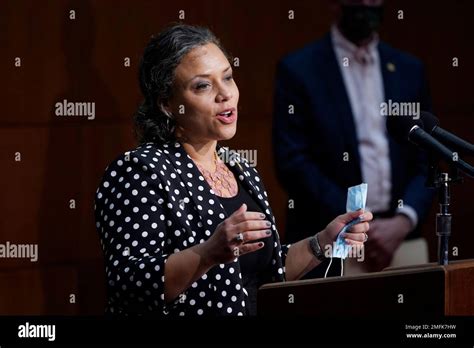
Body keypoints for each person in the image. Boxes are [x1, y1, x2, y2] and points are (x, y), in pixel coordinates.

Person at [94, 23, 372, 316]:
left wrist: (322, 242)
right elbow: (129, 284)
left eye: (227, 77)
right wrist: (208, 253)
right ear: (167, 104)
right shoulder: (138, 171)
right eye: (203, 85)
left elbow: (269, 272)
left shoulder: (240, 168)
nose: (225, 94)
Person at [273, 0, 434, 276]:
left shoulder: (409, 69)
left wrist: (405, 219)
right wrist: (356, 222)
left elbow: (427, 158)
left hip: (401, 237)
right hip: (329, 240)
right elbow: (293, 162)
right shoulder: (298, 70)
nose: (367, 5)